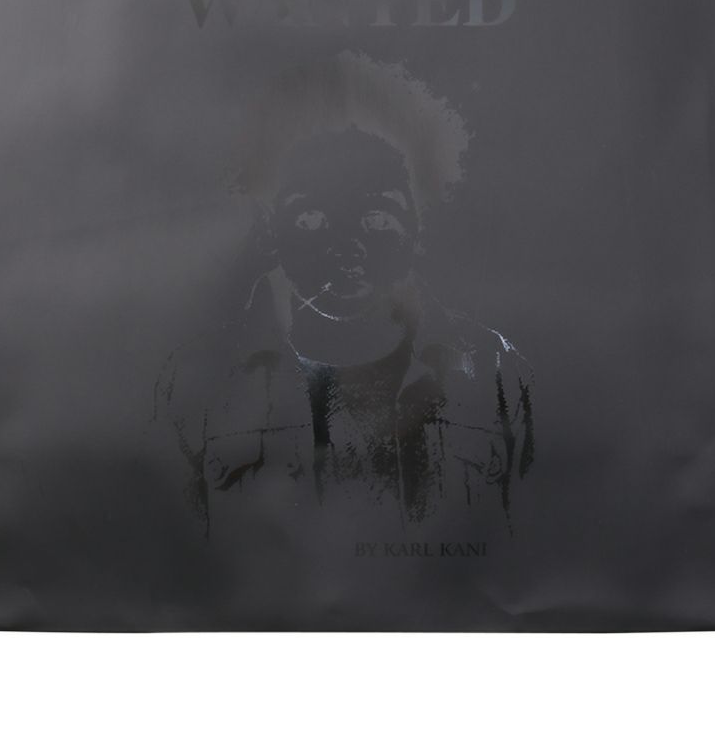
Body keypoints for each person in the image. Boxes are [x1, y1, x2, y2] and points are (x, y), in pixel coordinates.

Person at [154, 53, 534, 533]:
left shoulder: (495, 375)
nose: (345, 249)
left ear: (420, 228)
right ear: (269, 231)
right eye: (312, 218)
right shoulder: (198, 387)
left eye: (376, 218)